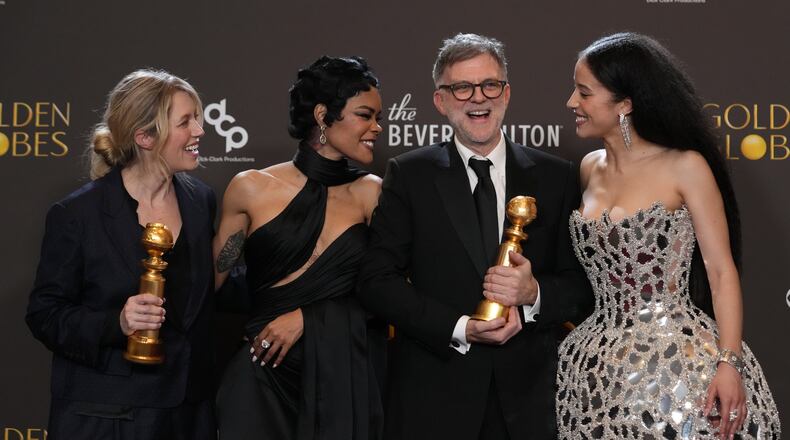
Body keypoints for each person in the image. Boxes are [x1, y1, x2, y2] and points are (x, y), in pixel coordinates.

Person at [356, 33, 594, 440]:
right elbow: (377, 282)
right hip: (436, 396)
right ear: (441, 101)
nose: (477, 98)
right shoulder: (409, 175)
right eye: (462, 87)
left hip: (531, 402)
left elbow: (583, 286)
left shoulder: (557, 176)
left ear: (506, 93)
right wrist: (460, 326)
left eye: (490, 85)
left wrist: (533, 296)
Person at [556, 32, 781, 440]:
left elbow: (719, 271)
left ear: (624, 104)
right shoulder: (589, 167)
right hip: (597, 371)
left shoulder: (685, 167)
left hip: (679, 364)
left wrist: (729, 362)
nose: (572, 102)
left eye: (584, 93)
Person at [26, 69, 217, 439]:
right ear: (145, 136)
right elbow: (44, 314)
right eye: (185, 122)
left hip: (188, 415)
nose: (199, 130)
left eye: (196, 117)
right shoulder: (77, 214)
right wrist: (118, 323)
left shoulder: (200, 200)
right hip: (106, 416)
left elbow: (206, 291)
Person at [213, 56, 384, 440]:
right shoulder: (250, 188)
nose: (377, 127)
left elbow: (388, 293)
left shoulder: (372, 194)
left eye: (378, 116)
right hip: (261, 377)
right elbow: (208, 285)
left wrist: (310, 317)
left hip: (343, 381)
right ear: (323, 116)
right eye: (365, 115)